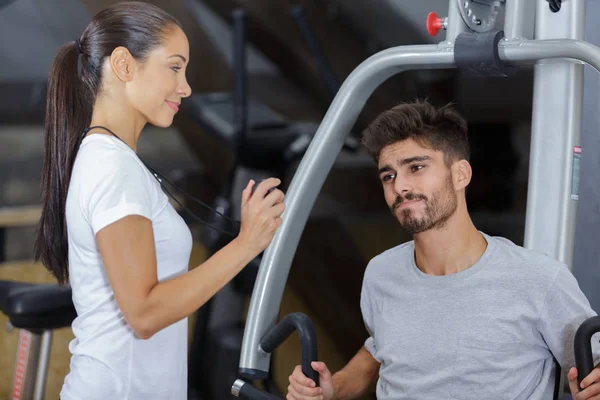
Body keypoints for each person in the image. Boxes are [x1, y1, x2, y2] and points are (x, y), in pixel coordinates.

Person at [33, 2, 285, 399]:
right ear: (124, 65)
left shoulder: (112, 160)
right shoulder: (111, 168)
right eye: (174, 67)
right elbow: (145, 314)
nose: (185, 86)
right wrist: (247, 244)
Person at [286, 100, 600, 400]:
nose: (400, 187)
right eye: (389, 176)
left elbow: (592, 367)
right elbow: (380, 352)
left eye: (416, 167)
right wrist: (333, 389)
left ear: (461, 174)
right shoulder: (381, 274)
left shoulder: (538, 279)